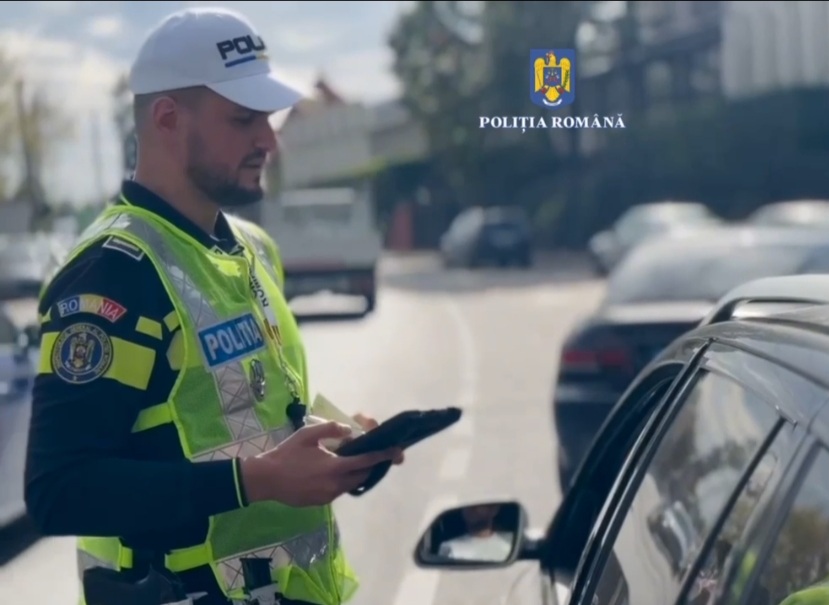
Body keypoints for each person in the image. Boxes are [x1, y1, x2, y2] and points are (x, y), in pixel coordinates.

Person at [23, 7, 403, 605]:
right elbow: (60, 490)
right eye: (243, 119)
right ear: (167, 118)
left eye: (268, 119)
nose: (269, 140)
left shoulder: (253, 248)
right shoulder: (114, 273)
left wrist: (333, 449)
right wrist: (258, 480)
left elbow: (246, 419)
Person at [437, 504, 515, 562]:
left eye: (478, 505)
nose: (470, 508)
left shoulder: (512, 541)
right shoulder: (449, 547)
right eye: (467, 504)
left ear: (494, 509)